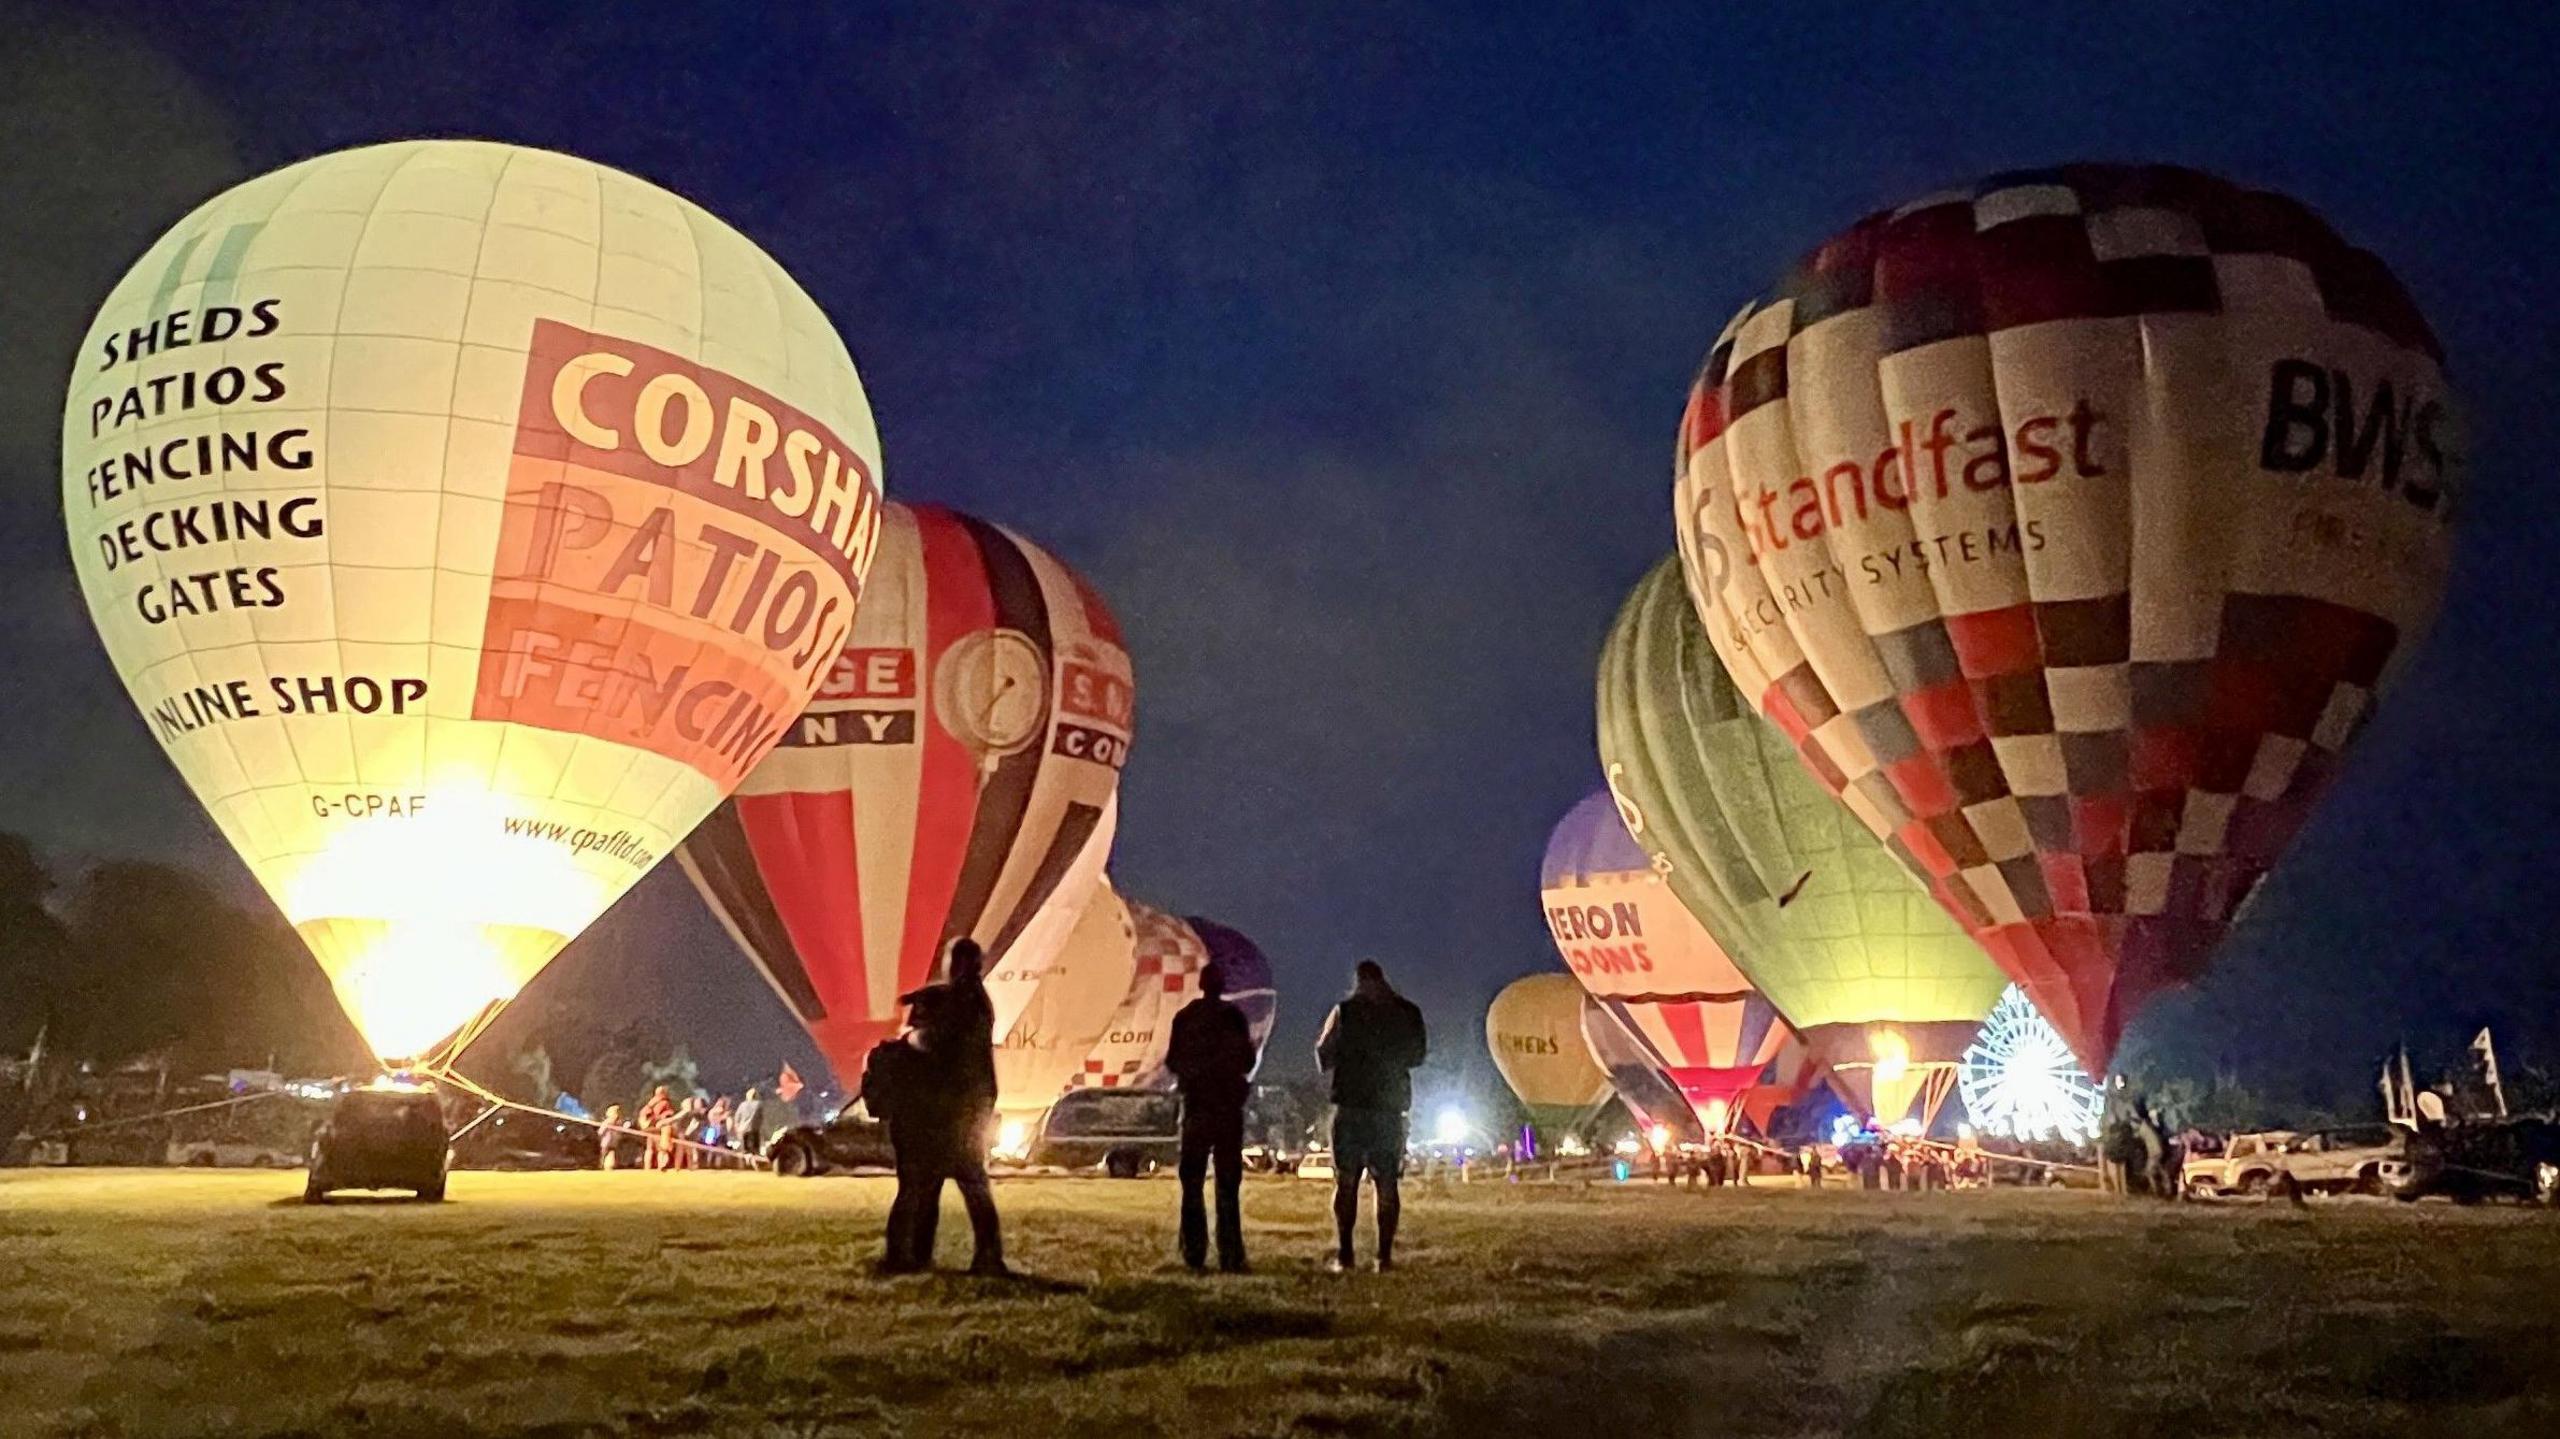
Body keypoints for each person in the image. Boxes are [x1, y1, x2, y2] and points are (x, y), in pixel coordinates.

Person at [881, 938, 1006, 1276]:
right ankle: (927, 1254)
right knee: (946, 1183)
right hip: (965, 1105)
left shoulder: (964, 1001)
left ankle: (976, 1255)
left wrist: (908, 1039)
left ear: (959, 963)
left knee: (956, 1182)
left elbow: (938, 1041)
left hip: (957, 1108)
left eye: (950, 960)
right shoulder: (973, 999)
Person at [1314, 960, 1426, 1272]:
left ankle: (1346, 1253)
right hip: (1390, 1109)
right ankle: (1384, 1256)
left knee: (1346, 1180)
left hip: (1351, 1106)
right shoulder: (1408, 1013)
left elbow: (1323, 1055)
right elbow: (1418, 1055)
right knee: (1387, 1183)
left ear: (1358, 981)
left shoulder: (1345, 1011)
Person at [1166, 960, 1258, 1273]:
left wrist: (1196, 1074)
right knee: (1227, 1185)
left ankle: (1193, 1252)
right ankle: (1231, 1254)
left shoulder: (1185, 1018)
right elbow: (1247, 1061)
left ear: (1200, 984)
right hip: (1227, 1111)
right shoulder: (1234, 1018)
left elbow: (1172, 1061)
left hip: (1196, 1108)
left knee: (1192, 1184)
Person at [638, 1085, 677, 1171]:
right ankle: (661, 1165)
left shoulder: (650, 1102)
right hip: (658, 1128)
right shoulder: (665, 1103)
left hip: (648, 1128)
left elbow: (643, 1114)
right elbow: (667, 1115)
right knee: (661, 1148)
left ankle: (647, 1167)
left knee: (649, 1148)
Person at [732, 1087, 767, 1162]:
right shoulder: (759, 1104)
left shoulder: (742, 1105)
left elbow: (737, 1116)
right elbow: (761, 1117)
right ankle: (756, 1163)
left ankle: (745, 1163)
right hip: (754, 1129)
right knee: (755, 1149)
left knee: (745, 1150)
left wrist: (737, 1127)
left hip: (743, 1129)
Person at [598, 1104, 626, 1170]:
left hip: (614, 1141)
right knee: (605, 1153)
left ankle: (610, 1165)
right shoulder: (608, 1121)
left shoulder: (619, 1122)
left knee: (612, 1153)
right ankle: (602, 1165)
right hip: (607, 1141)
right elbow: (601, 1131)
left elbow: (621, 1131)